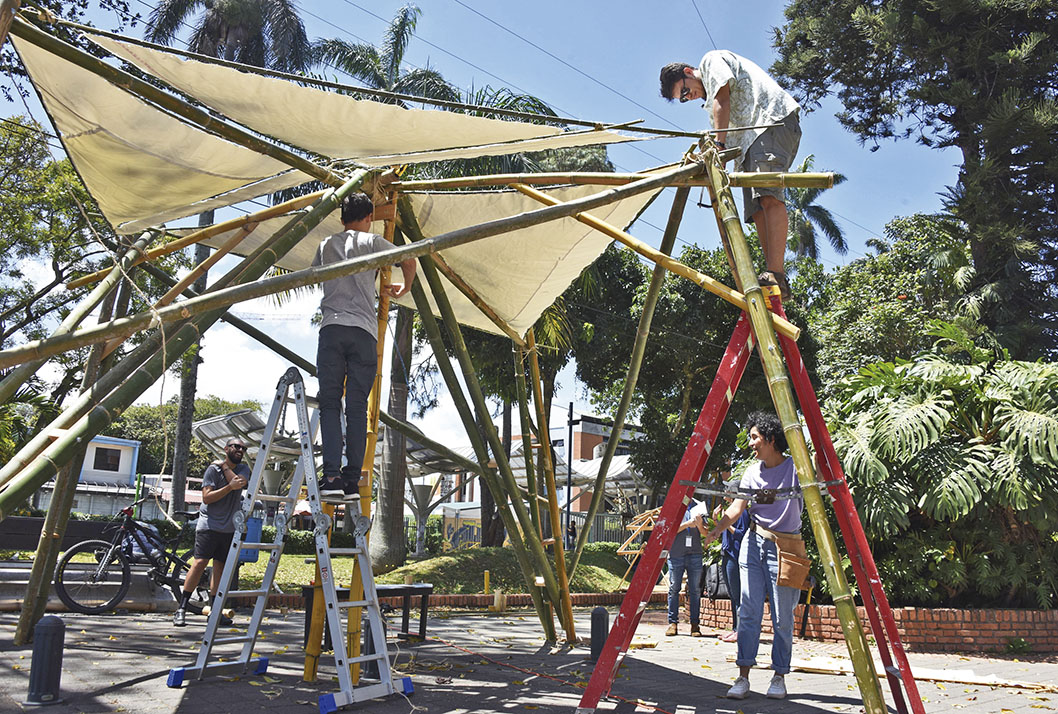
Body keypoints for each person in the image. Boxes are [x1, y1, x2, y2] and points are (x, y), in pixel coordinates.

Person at [659, 52, 801, 299]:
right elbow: (721, 123)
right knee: (756, 209)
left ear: (688, 73)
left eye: (684, 91)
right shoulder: (709, 107)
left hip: (768, 123)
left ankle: (776, 273)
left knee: (769, 196)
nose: (687, 97)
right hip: (748, 144)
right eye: (682, 99)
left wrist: (719, 146)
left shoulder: (710, 61)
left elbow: (722, 100)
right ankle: (775, 275)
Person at [313, 192, 416, 502]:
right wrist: (403, 286)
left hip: (332, 327)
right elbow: (409, 259)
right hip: (363, 332)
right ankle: (351, 480)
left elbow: (318, 276)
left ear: (342, 219)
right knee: (357, 406)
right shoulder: (372, 243)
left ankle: (330, 476)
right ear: (369, 219)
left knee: (331, 402)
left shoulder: (325, 246)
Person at [701, 412, 805, 700]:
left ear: (771, 439)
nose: (751, 444)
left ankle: (779, 676)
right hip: (753, 544)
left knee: (783, 617)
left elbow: (820, 472)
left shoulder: (797, 468)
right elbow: (737, 508)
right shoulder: (751, 471)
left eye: (755, 437)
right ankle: (743, 676)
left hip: (787, 549)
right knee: (747, 612)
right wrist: (715, 530)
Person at [173, 439, 250, 627]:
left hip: (229, 527)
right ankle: (182, 608)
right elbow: (207, 498)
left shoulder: (243, 468)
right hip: (209, 525)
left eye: (243, 448)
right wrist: (228, 486)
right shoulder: (211, 471)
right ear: (226, 449)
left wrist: (224, 466)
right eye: (236, 447)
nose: (240, 450)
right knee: (199, 563)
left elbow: (239, 483)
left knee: (220, 568)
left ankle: (214, 613)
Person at [665, 498, 708, 637]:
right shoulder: (673, 505)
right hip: (676, 554)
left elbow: (705, 533)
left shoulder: (699, 506)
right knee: (674, 588)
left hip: (695, 554)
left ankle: (695, 625)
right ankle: (673, 623)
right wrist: (688, 524)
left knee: (695, 590)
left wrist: (700, 525)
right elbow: (669, 531)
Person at [713, 501, 750, 643]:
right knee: (732, 596)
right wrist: (717, 520)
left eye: (728, 490)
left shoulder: (742, 513)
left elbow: (742, 533)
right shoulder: (728, 512)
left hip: (735, 556)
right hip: (726, 554)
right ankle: (735, 629)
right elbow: (721, 531)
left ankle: (740, 631)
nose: (724, 493)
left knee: (738, 595)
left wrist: (727, 524)